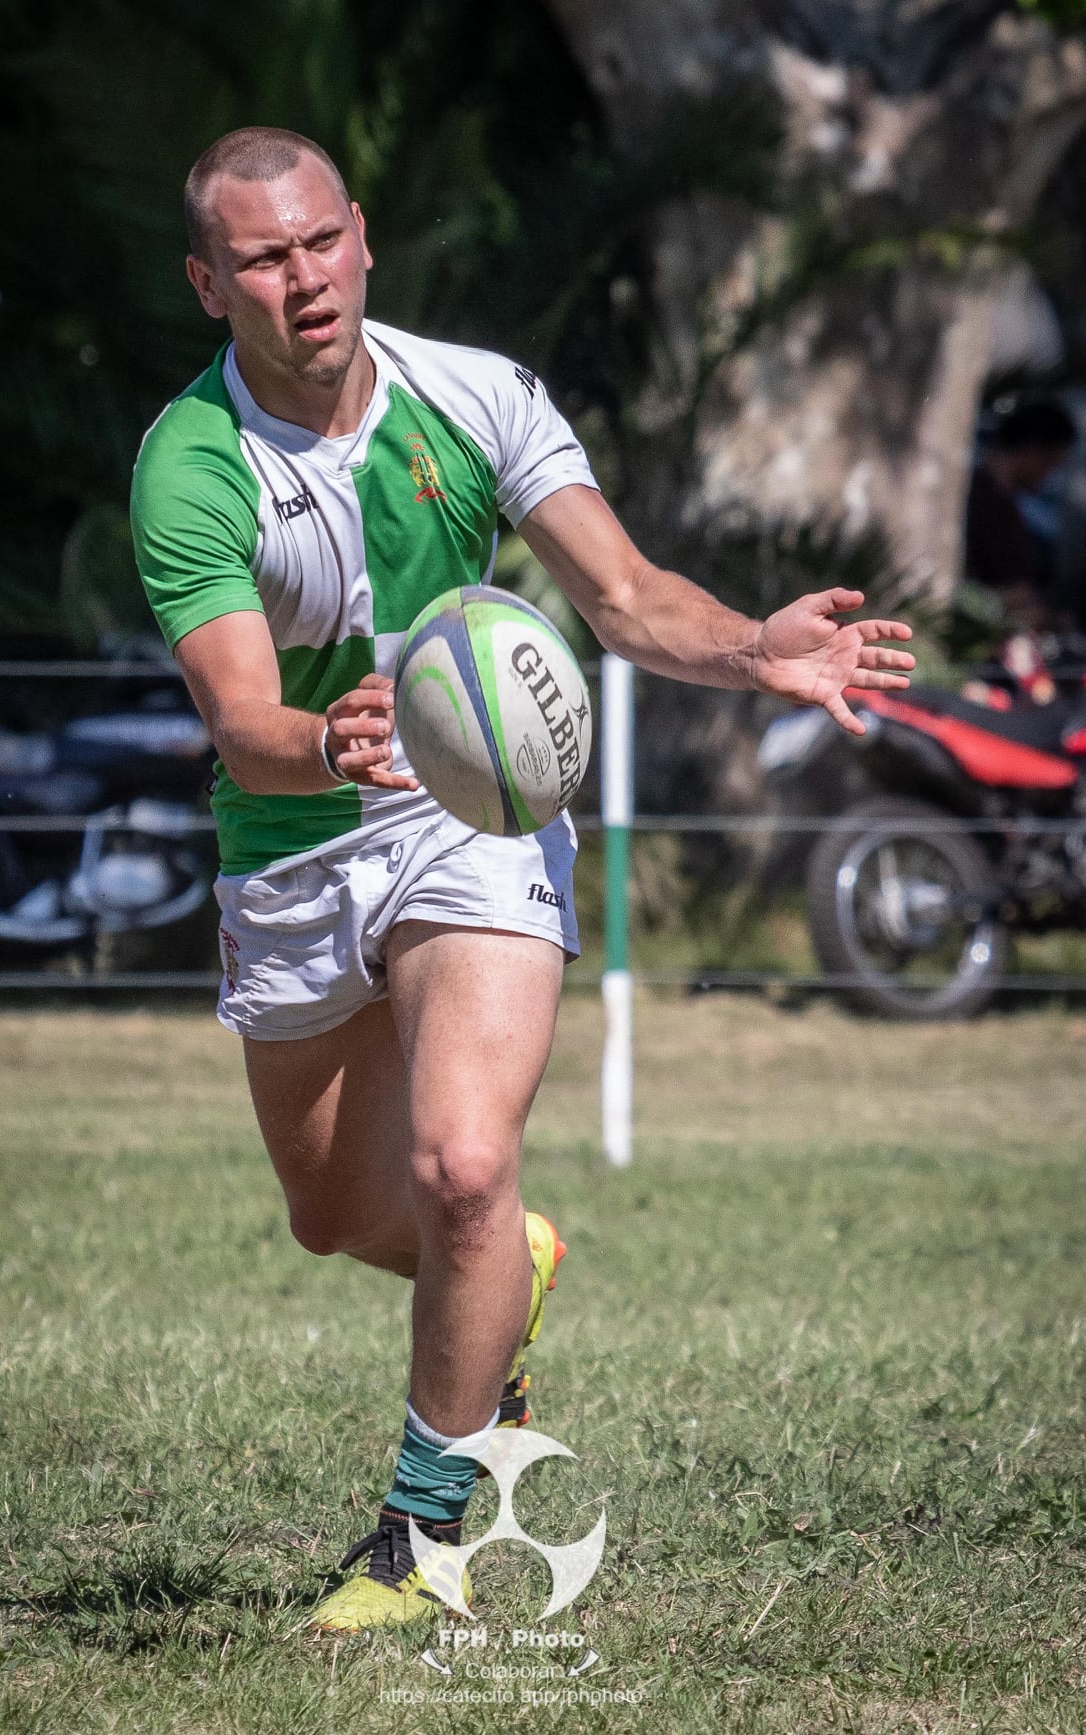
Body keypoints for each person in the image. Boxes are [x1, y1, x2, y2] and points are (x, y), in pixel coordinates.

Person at [130, 126, 914, 1633]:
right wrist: (329, 736)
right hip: (292, 836)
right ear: (205, 283)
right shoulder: (193, 463)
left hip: (472, 812)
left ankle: (420, 1531)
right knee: (333, 1212)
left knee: (462, 1167)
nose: (300, 281)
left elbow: (621, 597)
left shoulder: (475, 393)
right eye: (259, 259)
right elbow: (240, 723)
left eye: (317, 244)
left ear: (361, 235)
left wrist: (755, 645)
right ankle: (507, 1278)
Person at [964, 398, 1077, 634]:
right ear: (1033, 451)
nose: (1050, 475)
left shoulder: (982, 493)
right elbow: (1012, 595)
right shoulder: (991, 504)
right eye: (1052, 463)